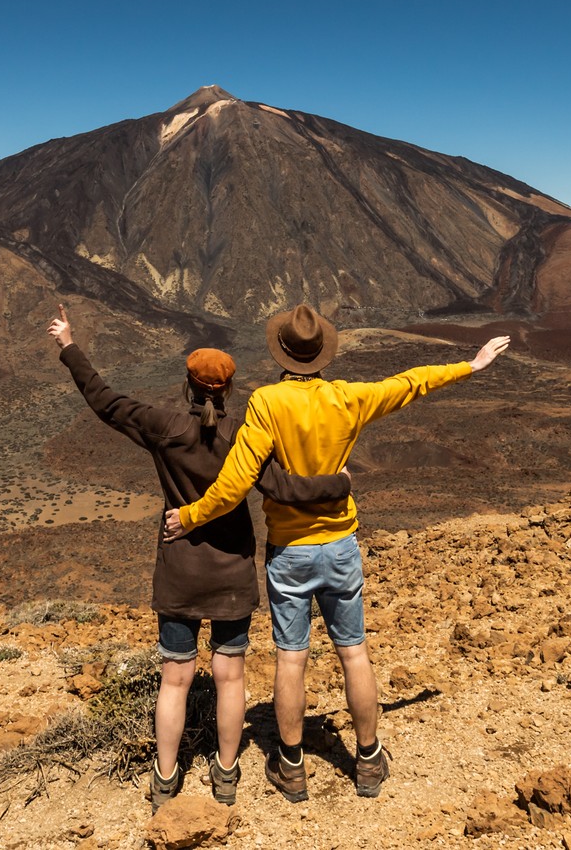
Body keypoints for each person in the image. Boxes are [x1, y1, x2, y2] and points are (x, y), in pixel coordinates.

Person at [164, 304, 510, 802]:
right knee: (354, 652)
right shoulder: (348, 398)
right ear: (321, 353)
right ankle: (368, 760)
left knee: (291, 658)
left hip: (290, 552)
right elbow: (408, 382)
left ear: (281, 352)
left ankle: (292, 766)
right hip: (341, 546)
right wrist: (469, 366)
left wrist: (192, 515)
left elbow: (236, 482)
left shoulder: (267, 402)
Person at [47, 304, 352, 812]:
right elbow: (286, 488)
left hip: (180, 570)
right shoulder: (245, 435)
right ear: (229, 390)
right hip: (231, 571)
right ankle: (227, 774)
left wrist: (68, 345)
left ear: (188, 385)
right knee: (230, 676)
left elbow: (103, 400)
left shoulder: (163, 425)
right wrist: (337, 484)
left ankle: (165, 779)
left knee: (175, 678)